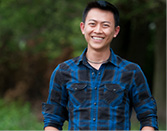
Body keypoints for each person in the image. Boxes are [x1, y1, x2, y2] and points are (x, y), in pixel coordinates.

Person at [42, 1, 158, 130]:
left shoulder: (131, 72)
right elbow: (52, 120)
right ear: (83, 27)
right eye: (92, 24)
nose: (98, 30)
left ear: (116, 31)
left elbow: (148, 117)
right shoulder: (64, 71)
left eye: (105, 25)